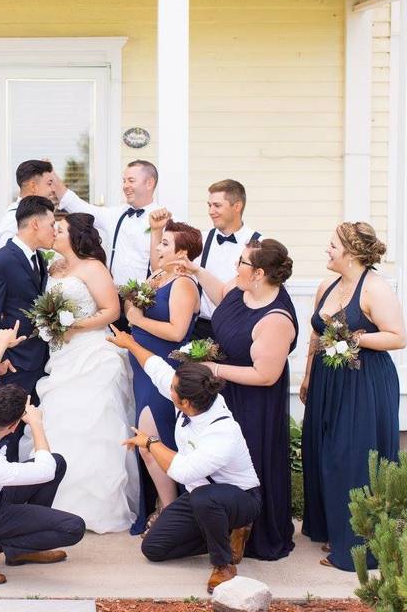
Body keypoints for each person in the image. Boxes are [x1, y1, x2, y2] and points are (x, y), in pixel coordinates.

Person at [108, 326, 261, 594]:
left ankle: (223, 565)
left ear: (186, 403)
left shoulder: (221, 431)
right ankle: (225, 535)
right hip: (201, 497)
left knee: (204, 497)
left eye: (173, 390)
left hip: (240, 498)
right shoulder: (195, 398)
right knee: (153, 548)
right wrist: (130, 344)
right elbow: (157, 370)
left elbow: (183, 471)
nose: (170, 389)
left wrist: (150, 443)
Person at [176, 238, 298, 560]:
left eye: (241, 262)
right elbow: (221, 296)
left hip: (254, 401)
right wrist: (196, 270)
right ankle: (218, 524)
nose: (235, 266)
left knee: (248, 459)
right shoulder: (242, 289)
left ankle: (251, 533)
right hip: (227, 390)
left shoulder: (276, 319)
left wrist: (214, 367)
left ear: (258, 273)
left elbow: (265, 375)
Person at [0, 322, 86, 586]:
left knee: (57, 463)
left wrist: (2, 343)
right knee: (73, 527)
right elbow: (42, 470)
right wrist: (36, 423)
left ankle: (22, 549)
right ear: (13, 427)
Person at [301, 222, 404, 571]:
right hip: (327, 381)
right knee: (324, 451)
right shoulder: (326, 285)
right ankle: (333, 530)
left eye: (332, 245)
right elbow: (317, 336)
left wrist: (352, 338)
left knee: (352, 456)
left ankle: (358, 544)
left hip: (365, 382)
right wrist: (308, 375)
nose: (327, 250)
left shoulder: (375, 288)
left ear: (351, 251)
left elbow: (397, 337)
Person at [31, 212, 138, 533]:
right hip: (62, 356)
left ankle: (97, 508)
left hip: (94, 353)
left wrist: (73, 325)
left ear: (74, 236)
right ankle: (59, 503)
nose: (53, 232)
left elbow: (111, 311)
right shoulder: (55, 268)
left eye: (59, 229)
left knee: (94, 426)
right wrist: (50, 325)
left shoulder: (93, 267)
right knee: (60, 422)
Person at [126, 219, 202, 535]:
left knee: (152, 442)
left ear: (182, 252)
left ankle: (171, 512)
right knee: (149, 442)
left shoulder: (183, 284)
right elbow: (135, 299)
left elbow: (177, 331)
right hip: (142, 371)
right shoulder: (159, 275)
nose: (159, 248)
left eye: (166, 244)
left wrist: (136, 320)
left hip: (164, 371)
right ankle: (165, 506)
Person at [0, 195, 57, 462]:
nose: (54, 230)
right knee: (9, 430)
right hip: (15, 363)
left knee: (27, 428)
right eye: (51, 224)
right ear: (34, 224)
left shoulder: (40, 259)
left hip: (39, 359)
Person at [52, 160, 162, 330]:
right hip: (112, 299)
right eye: (124, 181)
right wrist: (52, 175)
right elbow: (79, 206)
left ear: (149, 183)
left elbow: (163, 267)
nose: (125, 186)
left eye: (131, 181)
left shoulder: (164, 220)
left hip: (146, 303)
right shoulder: (116, 214)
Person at [184, 180, 261, 340]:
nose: (211, 211)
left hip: (240, 329)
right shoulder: (200, 240)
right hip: (200, 329)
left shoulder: (259, 244)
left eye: (217, 205)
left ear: (237, 206)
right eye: (209, 205)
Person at [0, 160, 57, 249]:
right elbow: (8, 259)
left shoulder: (29, 214)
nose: (52, 190)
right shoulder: (14, 220)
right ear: (33, 186)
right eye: (49, 184)